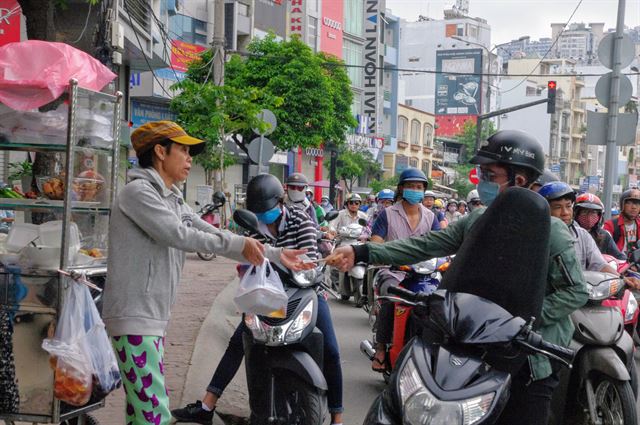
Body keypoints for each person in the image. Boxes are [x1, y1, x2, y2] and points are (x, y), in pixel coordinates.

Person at [327, 129, 588, 425]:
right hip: (477, 347)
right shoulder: (478, 220)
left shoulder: (552, 233)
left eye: (490, 174)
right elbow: (425, 245)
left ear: (518, 180)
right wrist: (361, 252)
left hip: (530, 358)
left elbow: (575, 291)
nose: (482, 180)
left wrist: (521, 324)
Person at [102, 121, 308, 425]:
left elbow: (205, 230)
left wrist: (274, 253)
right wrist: (242, 244)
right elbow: (180, 235)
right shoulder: (139, 193)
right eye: (183, 150)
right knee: (154, 415)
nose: (189, 159)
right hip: (134, 316)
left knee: (140, 414)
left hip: (151, 316)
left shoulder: (170, 196)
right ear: (160, 151)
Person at [172, 174, 345, 425]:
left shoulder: (302, 222)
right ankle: (207, 405)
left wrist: (285, 265)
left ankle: (338, 418)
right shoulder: (253, 227)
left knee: (331, 349)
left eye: (268, 209)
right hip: (267, 298)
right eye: (258, 211)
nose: (264, 215)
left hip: (306, 294)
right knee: (238, 341)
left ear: (281, 201)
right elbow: (243, 258)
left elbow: (308, 264)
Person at [368, 168, 438, 370]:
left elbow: (442, 244)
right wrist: (386, 254)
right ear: (401, 188)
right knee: (392, 297)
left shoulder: (431, 217)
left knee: (441, 299)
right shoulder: (387, 214)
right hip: (392, 271)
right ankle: (381, 348)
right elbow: (376, 244)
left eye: (419, 187)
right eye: (410, 186)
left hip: (425, 274)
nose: (415, 190)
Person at [538, 183, 621, 274]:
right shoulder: (537, 237)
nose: (565, 212)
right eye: (558, 207)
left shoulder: (582, 235)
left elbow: (599, 265)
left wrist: (622, 278)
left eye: (568, 206)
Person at [573, 193, 626, 260]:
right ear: (576, 214)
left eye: (593, 212)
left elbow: (619, 257)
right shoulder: (569, 233)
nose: (589, 216)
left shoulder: (604, 235)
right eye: (584, 211)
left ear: (599, 216)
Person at [604, 189, 640, 257]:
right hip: (617, 264)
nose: (634, 207)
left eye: (637, 203)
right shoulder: (610, 225)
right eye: (629, 202)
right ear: (622, 204)